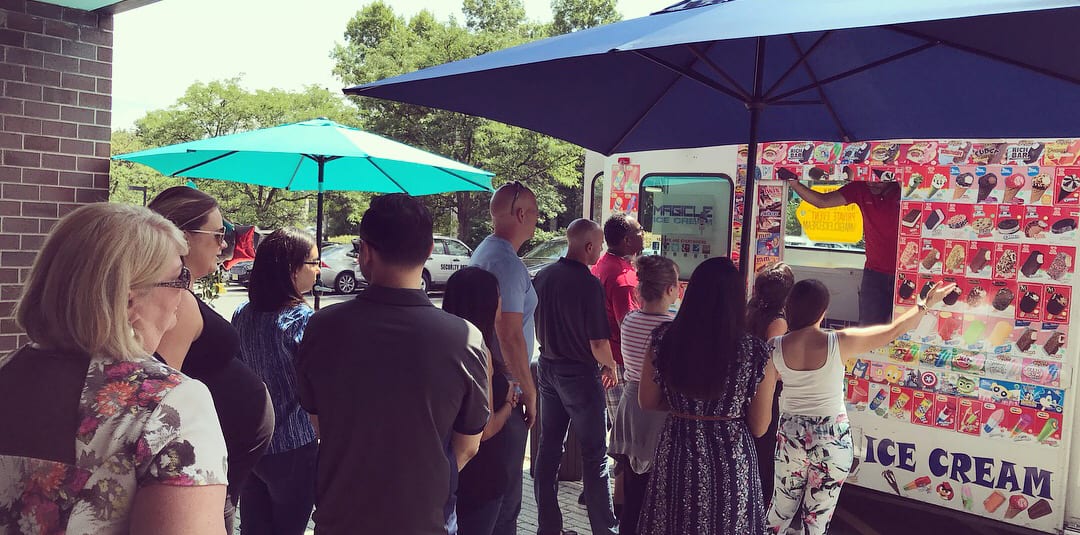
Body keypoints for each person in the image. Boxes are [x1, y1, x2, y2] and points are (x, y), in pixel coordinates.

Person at [0, 203, 228, 534]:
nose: (185, 292)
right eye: (179, 277)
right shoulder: (168, 404)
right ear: (128, 300)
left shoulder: (6, 371)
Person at [296, 194, 489, 535]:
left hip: (341, 515)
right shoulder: (464, 339)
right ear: (429, 249)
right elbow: (469, 445)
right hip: (425, 518)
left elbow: (319, 421)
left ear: (366, 253)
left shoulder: (322, 326)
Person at [765, 279, 953, 534]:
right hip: (832, 441)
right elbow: (893, 331)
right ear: (823, 311)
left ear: (790, 308)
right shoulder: (838, 342)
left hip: (791, 440)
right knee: (816, 520)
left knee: (780, 510)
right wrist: (923, 304)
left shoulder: (775, 347)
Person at [149, 185, 275, 532]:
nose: (225, 245)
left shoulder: (179, 296)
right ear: (182, 236)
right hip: (200, 478)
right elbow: (159, 401)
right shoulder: (174, 304)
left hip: (217, 470)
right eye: (219, 234)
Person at [638, 257, 777, 535]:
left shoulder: (663, 339)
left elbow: (648, 401)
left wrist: (687, 404)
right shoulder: (757, 352)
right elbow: (760, 426)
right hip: (730, 463)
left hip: (677, 456)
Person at [533, 218, 619, 535]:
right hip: (580, 375)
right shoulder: (589, 284)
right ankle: (604, 530)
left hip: (547, 368)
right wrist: (610, 366)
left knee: (549, 448)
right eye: (599, 245)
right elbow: (598, 343)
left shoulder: (542, 276)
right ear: (588, 246)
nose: (601, 250)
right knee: (595, 455)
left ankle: (548, 527)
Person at [231, 228, 321, 534]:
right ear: (291, 269)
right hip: (295, 446)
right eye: (313, 262)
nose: (318, 269)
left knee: (255, 527)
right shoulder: (302, 320)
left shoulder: (242, 314)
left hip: (254, 441)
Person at [469, 180, 538, 534]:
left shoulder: (483, 251)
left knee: (489, 492)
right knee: (506, 497)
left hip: (483, 380)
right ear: (521, 213)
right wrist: (527, 390)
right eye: (536, 213)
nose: (537, 221)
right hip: (504, 388)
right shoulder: (507, 263)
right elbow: (509, 332)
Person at [443, 267, 522, 535]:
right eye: (499, 296)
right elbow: (484, 430)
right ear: (487, 303)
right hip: (481, 478)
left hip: (446, 472)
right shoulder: (479, 351)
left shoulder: (442, 344)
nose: (502, 303)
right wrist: (509, 403)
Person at [608, 255, 679, 535]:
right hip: (658, 412)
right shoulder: (672, 328)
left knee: (633, 489)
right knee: (656, 493)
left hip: (630, 408)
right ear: (671, 290)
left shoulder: (630, 320)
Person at [781, 176, 900, 326]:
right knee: (869, 329)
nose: (871, 182)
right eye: (867, 177)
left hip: (908, 273)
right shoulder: (861, 188)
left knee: (907, 332)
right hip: (874, 272)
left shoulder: (905, 191)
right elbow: (822, 202)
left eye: (878, 179)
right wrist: (794, 183)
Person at [746, 262, 795, 504]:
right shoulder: (778, 322)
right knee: (764, 456)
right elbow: (773, 366)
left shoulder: (751, 310)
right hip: (764, 394)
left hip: (744, 391)